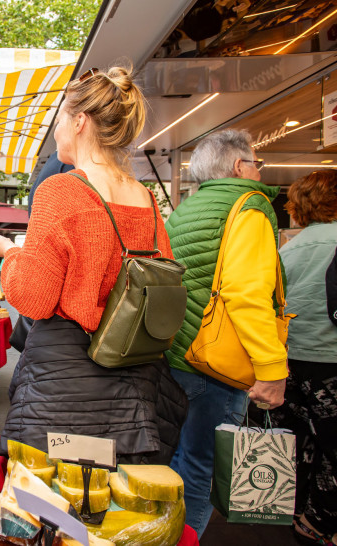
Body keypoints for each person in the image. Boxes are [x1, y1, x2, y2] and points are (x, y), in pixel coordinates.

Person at [0, 66, 186, 462]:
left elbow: (34, 298)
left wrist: (9, 253)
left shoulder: (60, 190)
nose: (56, 130)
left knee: (52, 505)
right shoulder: (145, 198)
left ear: (79, 122)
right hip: (135, 382)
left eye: (60, 118)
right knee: (112, 505)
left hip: (66, 381)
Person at [164, 128, 288, 538]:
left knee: (176, 463)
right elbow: (247, 293)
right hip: (217, 365)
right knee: (201, 467)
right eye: (257, 163)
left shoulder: (185, 209)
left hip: (178, 355)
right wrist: (272, 367)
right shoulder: (248, 206)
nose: (259, 171)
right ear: (239, 166)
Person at [270, 170, 337, 545]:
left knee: (297, 443)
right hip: (332, 362)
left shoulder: (287, 250)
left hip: (291, 362)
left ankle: (297, 511)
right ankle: (319, 521)